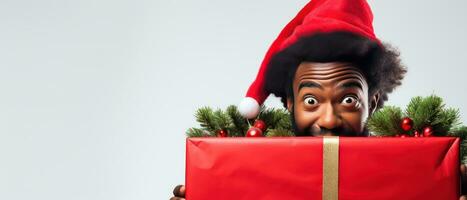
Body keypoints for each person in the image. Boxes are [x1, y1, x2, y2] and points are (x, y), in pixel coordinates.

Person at [170, 0, 467, 199]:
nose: (328, 120)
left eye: (348, 100)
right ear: (289, 102)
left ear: (373, 102)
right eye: (311, 101)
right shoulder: (244, 171)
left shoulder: (410, 175)